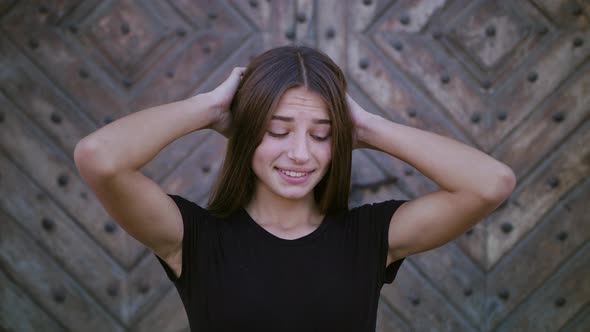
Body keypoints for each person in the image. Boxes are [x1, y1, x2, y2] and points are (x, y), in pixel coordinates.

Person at [74, 45, 515, 331]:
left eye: (321, 135)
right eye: (277, 130)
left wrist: (367, 126)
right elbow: (99, 158)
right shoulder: (194, 238)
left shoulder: (370, 237)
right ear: (246, 133)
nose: (301, 153)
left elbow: (491, 183)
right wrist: (208, 108)